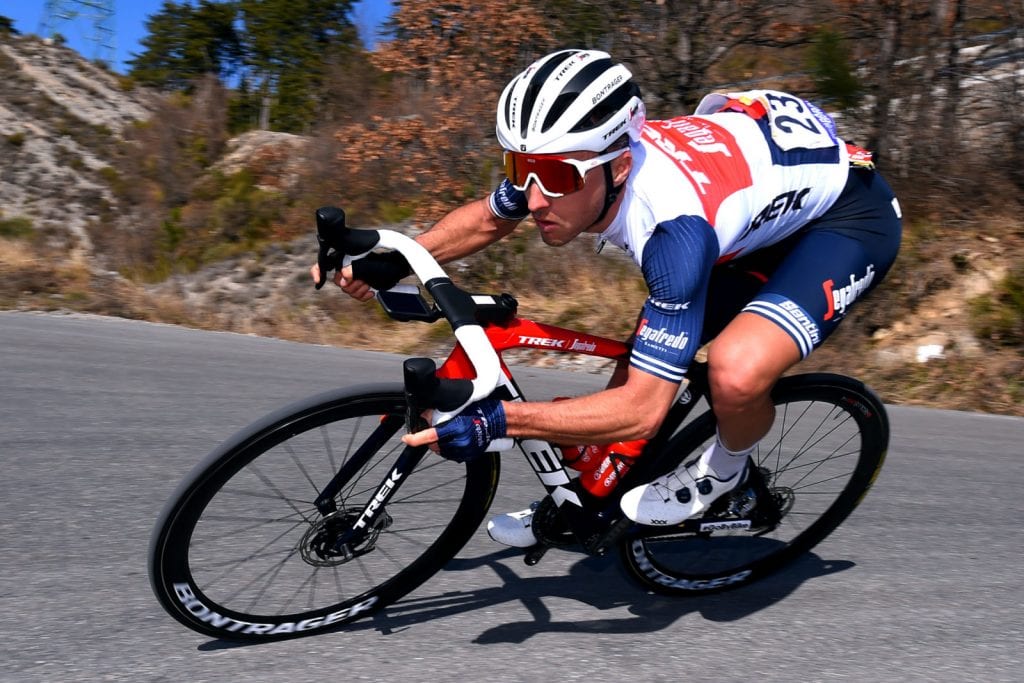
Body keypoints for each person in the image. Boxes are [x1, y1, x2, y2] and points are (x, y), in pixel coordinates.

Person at [311, 49, 902, 548]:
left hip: (844, 220)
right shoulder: (561, 169)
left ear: (619, 165)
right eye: (521, 167)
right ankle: (585, 501)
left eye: (558, 178)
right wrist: (396, 259)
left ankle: (727, 475)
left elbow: (643, 410)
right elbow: (489, 221)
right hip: (749, 212)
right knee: (636, 362)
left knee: (734, 371)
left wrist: (504, 421)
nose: (536, 197)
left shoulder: (671, 231)